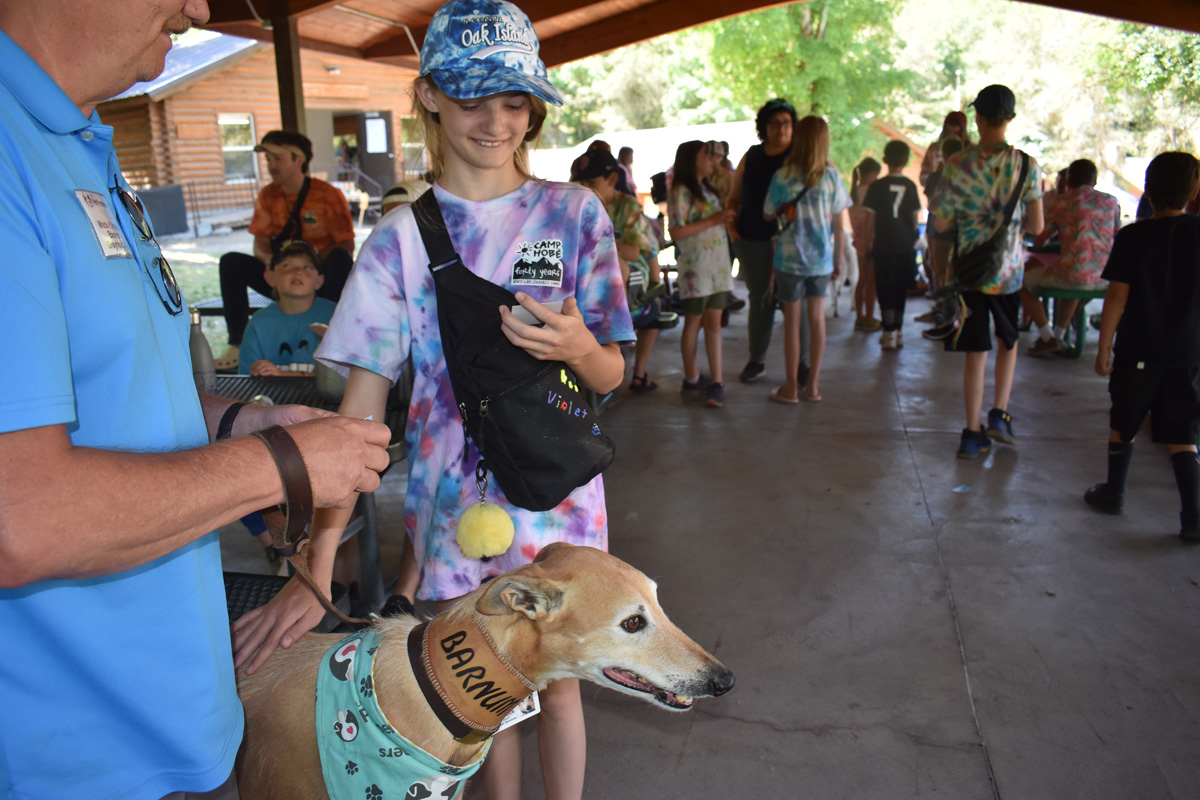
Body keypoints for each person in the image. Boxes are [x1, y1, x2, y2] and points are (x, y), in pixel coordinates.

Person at [229, 4, 634, 800]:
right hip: (452, 507)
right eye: (472, 98)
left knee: (560, 687)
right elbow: (358, 420)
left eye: (514, 101)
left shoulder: (574, 214)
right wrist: (317, 567)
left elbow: (611, 372)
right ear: (429, 97)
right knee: (483, 689)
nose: (496, 122)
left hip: (557, 497)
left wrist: (577, 349)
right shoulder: (399, 239)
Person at [0, 3, 392, 798]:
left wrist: (241, 420)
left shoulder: (78, 139)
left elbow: (118, 392)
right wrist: (279, 462)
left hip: (155, 705)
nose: (200, 8)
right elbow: (23, 518)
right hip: (67, 754)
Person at [1083, 151, 1200, 541]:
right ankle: (1193, 516)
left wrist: (1104, 348)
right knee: (1182, 434)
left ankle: (1113, 493)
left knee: (1124, 423)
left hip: (1138, 352)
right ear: (1194, 191)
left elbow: (1116, 297)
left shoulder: (1133, 236)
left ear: (1147, 192)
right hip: (1187, 353)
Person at [931, 84, 1043, 459]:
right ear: (1009, 119)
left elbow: (942, 224)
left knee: (975, 351)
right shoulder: (1027, 165)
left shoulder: (956, 164)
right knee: (1008, 342)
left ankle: (972, 432)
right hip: (1008, 273)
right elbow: (1037, 226)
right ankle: (1000, 414)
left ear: (977, 118)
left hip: (968, 272)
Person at [214, 129, 357, 370]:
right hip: (281, 273)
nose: (271, 165)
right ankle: (236, 343)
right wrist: (276, 263)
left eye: (277, 159)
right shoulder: (268, 196)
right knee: (231, 262)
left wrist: (308, 261)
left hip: (318, 277)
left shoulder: (327, 195)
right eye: (268, 159)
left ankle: (330, 333)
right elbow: (260, 242)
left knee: (340, 258)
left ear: (298, 160)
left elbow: (347, 244)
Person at [762, 116, 851, 403]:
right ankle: (812, 387)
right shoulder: (832, 177)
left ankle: (790, 388)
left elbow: (767, 213)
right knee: (817, 319)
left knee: (792, 323)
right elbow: (839, 226)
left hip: (789, 260)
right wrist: (838, 260)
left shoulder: (782, 176)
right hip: (821, 260)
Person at [575, 148, 667, 393]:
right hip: (591, 276)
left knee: (616, 267)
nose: (585, 188)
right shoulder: (578, 204)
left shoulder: (627, 207)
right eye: (581, 183)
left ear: (613, 179)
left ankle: (627, 357)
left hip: (627, 275)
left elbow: (635, 252)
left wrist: (596, 248)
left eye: (591, 183)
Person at [1018, 158, 1121, 357]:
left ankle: (1047, 337)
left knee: (1020, 281)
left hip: (1072, 274)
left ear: (1068, 180)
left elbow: (1040, 239)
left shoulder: (1062, 203)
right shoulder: (1111, 202)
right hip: (1105, 277)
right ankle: (1058, 336)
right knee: (1073, 276)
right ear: (1095, 180)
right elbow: (1115, 235)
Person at [726, 98, 797, 384]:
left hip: (793, 242)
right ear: (764, 127)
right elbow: (734, 197)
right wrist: (734, 232)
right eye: (775, 123)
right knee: (759, 300)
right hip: (752, 238)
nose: (781, 129)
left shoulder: (801, 156)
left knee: (794, 302)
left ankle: (802, 366)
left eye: (787, 123)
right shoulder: (752, 155)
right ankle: (756, 360)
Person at [669, 140, 735, 408]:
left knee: (714, 323)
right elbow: (676, 232)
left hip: (717, 266)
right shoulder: (680, 191)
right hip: (696, 269)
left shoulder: (708, 187)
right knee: (694, 322)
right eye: (706, 156)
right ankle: (692, 377)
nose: (711, 160)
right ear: (691, 159)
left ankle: (717, 381)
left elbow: (726, 176)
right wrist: (714, 220)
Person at [238, 240, 336, 376]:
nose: (298, 272)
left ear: (319, 281)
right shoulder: (258, 322)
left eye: (307, 267)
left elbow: (343, 379)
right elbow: (245, 377)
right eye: (287, 265)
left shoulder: (335, 317)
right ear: (270, 277)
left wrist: (282, 374)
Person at [863, 141, 922, 350]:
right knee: (900, 287)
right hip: (905, 244)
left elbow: (870, 221)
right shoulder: (911, 186)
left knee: (885, 286)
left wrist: (866, 244)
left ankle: (888, 332)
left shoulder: (876, 186)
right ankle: (898, 330)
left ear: (885, 159)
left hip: (884, 244)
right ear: (906, 161)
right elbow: (915, 220)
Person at [848, 157, 882, 331]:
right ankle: (869, 317)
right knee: (871, 282)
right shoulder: (872, 191)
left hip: (858, 240)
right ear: (871, 173)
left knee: (861, 279)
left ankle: (859, 317)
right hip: (871, 240)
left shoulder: (853, 193)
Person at [919, 110, 970, 188]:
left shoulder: (970, 151)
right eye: (948, 132)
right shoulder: (934, 149)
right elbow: (923, 177)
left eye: (956, 133)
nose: (951, 136)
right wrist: (935, 177)